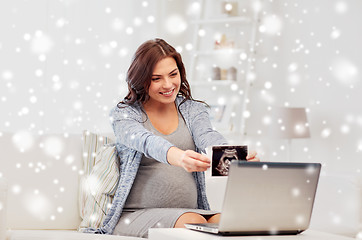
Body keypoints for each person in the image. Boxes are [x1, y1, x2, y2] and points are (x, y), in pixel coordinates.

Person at [84, 38, 259, 238]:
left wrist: (237, 157)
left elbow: (208, 136)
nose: (168, 84)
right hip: (136, 214)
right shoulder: (124, 114)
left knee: (232, 222)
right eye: (156, 78)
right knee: (192, 223)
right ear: (141, 79)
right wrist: (179, 156)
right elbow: (146, 141)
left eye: (173, 74)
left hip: (191, 212)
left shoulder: (192, 109)